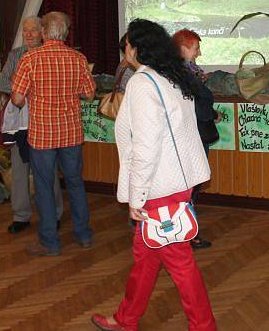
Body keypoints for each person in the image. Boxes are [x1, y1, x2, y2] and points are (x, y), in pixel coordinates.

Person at [91, 19, 216, 331]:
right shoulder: (171, 77)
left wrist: (138, 196)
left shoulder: (143, 83)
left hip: (160, 187)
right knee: (146, 257)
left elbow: (144, 146)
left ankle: (204, 326)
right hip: (177, 181)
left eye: (127, 45)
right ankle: (126, 319)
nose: (125, 51)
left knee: (179, 262)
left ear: (136, 48)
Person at [10, 11, 95, 256]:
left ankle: (49, 242)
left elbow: (16, 99)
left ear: (44, 32)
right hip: (70, 133)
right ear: (65, 33)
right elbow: (89, 94)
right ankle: (83, 234)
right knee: (76, 183)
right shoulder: (78, 58)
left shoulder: (30, 59)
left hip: (42, 135)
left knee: (45, 186)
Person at [0, 16, 63, 234]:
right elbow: (2, 81)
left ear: (43, 32)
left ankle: (54, 214)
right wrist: (25, 90)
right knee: (19, 169)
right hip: (20, 122)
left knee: (48, 170)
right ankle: (21, 216)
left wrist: (28, 90)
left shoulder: (51, 54)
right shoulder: (16, 55)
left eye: (33, 30)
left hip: (45, 121)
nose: (28, 35)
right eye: (25, 31)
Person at [173, 28, 220, 250]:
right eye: (196, 48)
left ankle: (184, 229)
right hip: (193, 137)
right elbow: (199, 109)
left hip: (186, 135)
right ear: (183, 48)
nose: (199, 53)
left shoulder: (176, 73)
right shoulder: (187, 76)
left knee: (188, 187)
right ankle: (188, 233)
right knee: (191, 187)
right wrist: (211, 113)